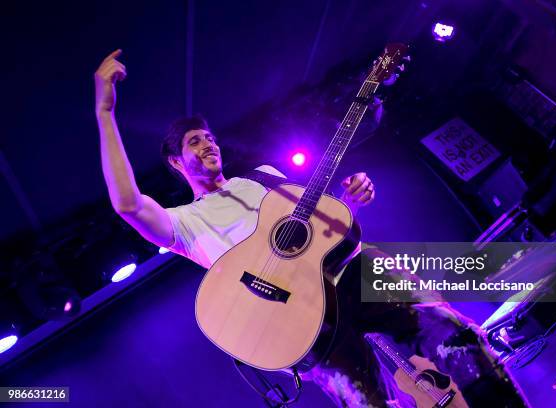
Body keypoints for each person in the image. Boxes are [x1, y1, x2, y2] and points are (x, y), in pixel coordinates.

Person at [95, 49, 529, 407]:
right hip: (297, 320)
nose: (207, 144)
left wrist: (349, 194)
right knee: (366, 403)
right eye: (194, 142)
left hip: (353, 273)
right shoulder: (184, 223)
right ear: (175, 163)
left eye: (209, 137)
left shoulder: (263, 176)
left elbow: (316, 224)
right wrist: (105, 110)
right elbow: (128, 203)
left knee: (454, 336)